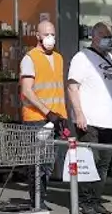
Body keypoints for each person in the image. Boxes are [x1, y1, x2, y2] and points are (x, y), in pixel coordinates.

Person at [67, 22, 112, 214]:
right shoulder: (82, 57)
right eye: (104, 34)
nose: (108, 38)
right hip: (90, 122)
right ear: (93, 36)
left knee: (103, 165)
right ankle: (85, 203)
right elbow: (72, 86)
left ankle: (95, 201)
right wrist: (78, 113)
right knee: (90, 164)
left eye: (110, 35)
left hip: (109, 121)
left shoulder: (111, 58)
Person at [19, 20, 68, 210]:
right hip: (36, 119)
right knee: (37, 164)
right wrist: (48, 112)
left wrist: (61, 115)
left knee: (47, 164)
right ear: (37, 36)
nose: (51, 38)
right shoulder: (30, 58)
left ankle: (40, 200)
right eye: (47, 34)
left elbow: (56, 89)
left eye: (53, 34)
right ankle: (36, 202)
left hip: (55, 119)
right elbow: (27, 91)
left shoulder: (59, 58)